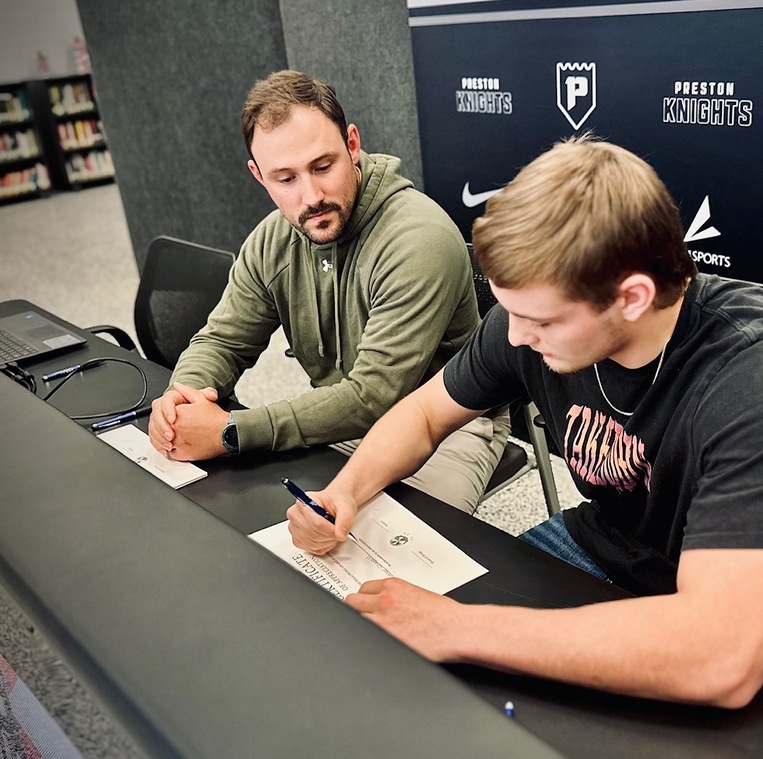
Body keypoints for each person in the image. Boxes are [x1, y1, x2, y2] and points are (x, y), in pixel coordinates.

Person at [286, 136, 763, 707]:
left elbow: (723, 657)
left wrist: (458, 627)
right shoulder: (527, 319)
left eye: (541, 321)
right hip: (599, 547)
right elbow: (426, 414)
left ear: (632, 297)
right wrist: (343, 493)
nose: (519, 336)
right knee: (416, 691)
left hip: (725, 621)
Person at [148, 70, 508, 514]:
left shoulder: (418, 238)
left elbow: (373, 395)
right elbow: (222, 341)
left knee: (385, 564)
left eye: (323, 167)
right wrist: (183, 397)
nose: (311, 195)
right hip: (333, 417)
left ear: (352, 144)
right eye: (285, 179)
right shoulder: (271, 241)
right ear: (259, 177)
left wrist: (233, 432)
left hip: (446, 426)